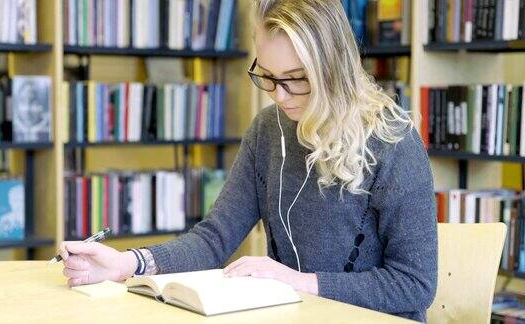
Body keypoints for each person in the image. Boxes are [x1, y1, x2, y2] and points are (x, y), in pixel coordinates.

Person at [59, 0, 437, 321]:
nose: (280, 95)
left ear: (334, 68)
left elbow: (414, 284)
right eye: (268, 77)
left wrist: (299, 282)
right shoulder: (269, 130)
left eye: (296, 78)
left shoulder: (394, 142)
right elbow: (213, 239)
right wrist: (126, 264)